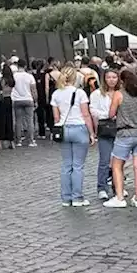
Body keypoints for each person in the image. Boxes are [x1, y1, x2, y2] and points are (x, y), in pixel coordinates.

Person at [103, 70, 137, 208]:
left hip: (124, 133)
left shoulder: (119, 94)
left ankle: (119, 197)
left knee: (117, 166)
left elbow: (111, 114)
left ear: (122, 81)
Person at [51, 67, 94, 207]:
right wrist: (92, 133)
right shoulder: (80, 93)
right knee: (78, 166)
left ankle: (66, 197)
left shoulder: (56, 94)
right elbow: (86, 114)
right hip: (79, 128)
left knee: (66, 165)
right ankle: (77, 197)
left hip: (64, 129)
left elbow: (56, 117)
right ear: (75, 78)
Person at [90, 70, 120, 202]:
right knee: (104, 159)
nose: (111, 80)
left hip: (120, 127)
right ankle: (102, 187)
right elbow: (93, 110)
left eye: (114, 77)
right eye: (109, 77)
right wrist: (107, 115)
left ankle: (117, 186)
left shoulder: (121, 93)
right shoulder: (97, 94)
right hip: (105, 127)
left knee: (118, 160)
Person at [11, 60, 38, 148]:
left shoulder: (14, 76)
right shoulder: (29, 76)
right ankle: (31, 140)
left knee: (18, 121)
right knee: (30, 121)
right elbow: (33, 90)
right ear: (25, 66)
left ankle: (18, 141)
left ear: (17, 66)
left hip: (17, 100)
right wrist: (35, 100)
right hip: (28, 99)